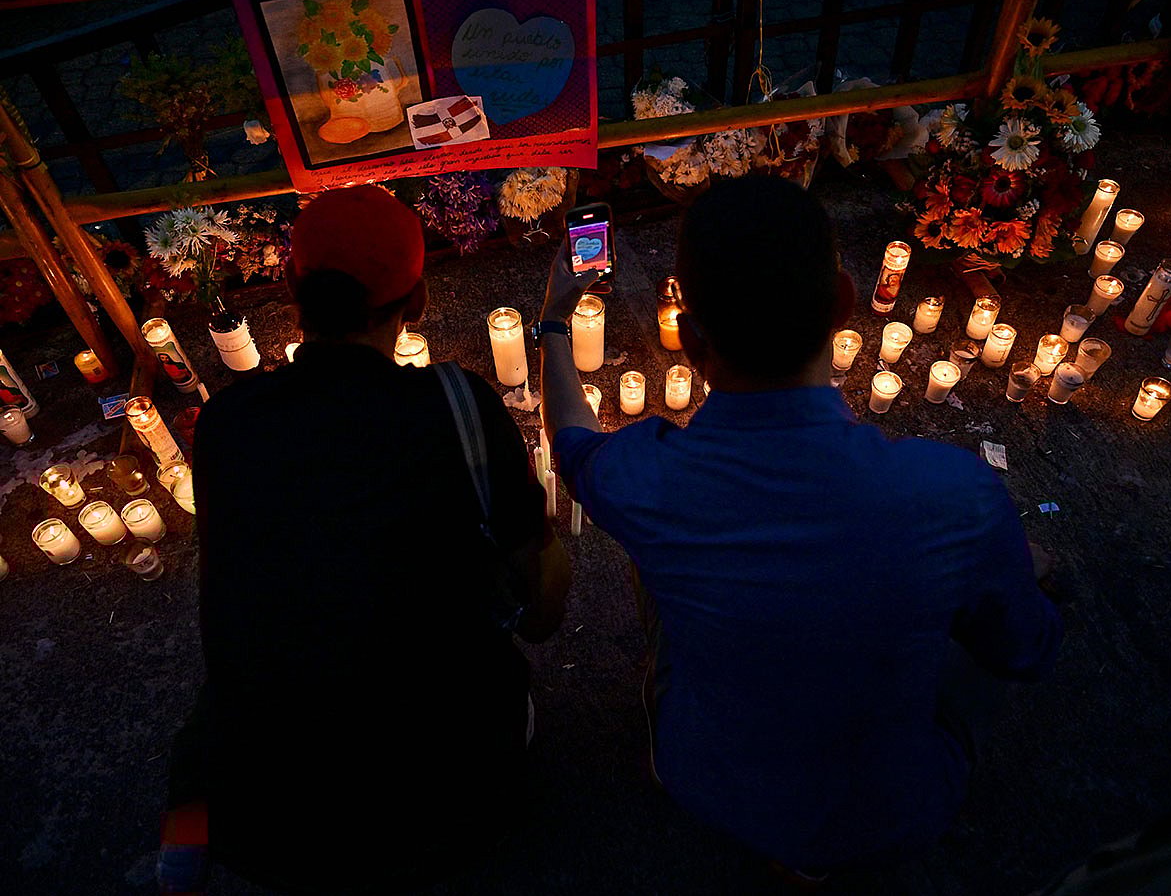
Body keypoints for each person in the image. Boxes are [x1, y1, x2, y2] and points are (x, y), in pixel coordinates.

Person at [539, 176, 1063, 875]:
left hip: (707, 782)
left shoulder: (648, 480)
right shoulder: (952, 496)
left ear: (691, 339)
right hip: (892, 813)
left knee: (654, 558)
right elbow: (1025, 650)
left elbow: (571, 442)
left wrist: (553, 320)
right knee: (1023, 579)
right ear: (844, 303)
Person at [164, 185, 569, 894]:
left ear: (291, 292)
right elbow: (541, 612)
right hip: (455, 809)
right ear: (417, 303)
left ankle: (192, 818)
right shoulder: (456, 404)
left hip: (275, 831)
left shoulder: (230, 423)